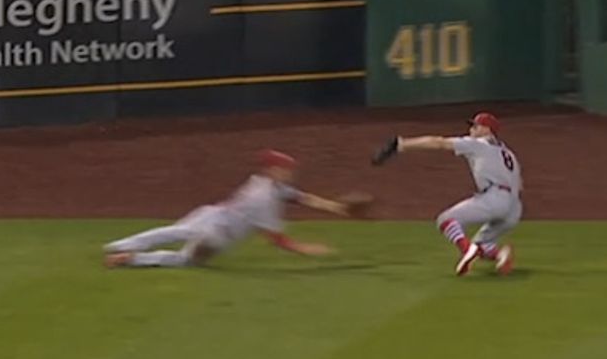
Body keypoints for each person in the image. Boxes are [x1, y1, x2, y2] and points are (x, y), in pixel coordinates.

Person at [103, 149, 369, 268]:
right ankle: (131, 258)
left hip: (210, 215)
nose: (290, 173)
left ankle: (120, 247)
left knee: (174, 231)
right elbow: (278, 240)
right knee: (185, 259)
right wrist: (308, 249)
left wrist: (339, 209)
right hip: (219, 234)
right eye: (286, 169)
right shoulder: (263, 199)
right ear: (273, 170)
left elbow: (304, 198)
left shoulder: (266, 184)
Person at [371, 112, 520, 276]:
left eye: (475, 126)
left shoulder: (478, 144)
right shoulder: (508, 153)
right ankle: (500, 255)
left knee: (446, 220)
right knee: (483, 245)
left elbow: (439, 142)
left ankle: (466, 249)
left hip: (494, 198)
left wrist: (401, 144)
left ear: (486, 129)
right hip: (514, 208)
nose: (471, 129)